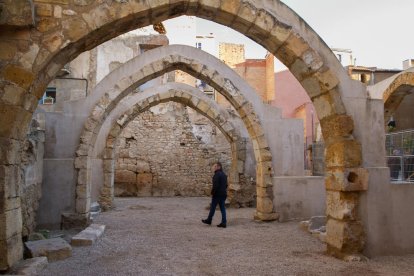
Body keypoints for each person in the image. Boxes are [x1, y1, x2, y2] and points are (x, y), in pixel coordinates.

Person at [202, 162, 227, 228]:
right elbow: (226, 185)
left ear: (219, 167)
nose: (214, 167)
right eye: (214, 166)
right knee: (222, 209)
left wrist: (212, 193)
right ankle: (224, 222)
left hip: (217, 194)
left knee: (213, 208)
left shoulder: (217, 175)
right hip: (223, 194)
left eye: (215, 166)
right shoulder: (224, 174)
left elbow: (215, 185)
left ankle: (209, 220)